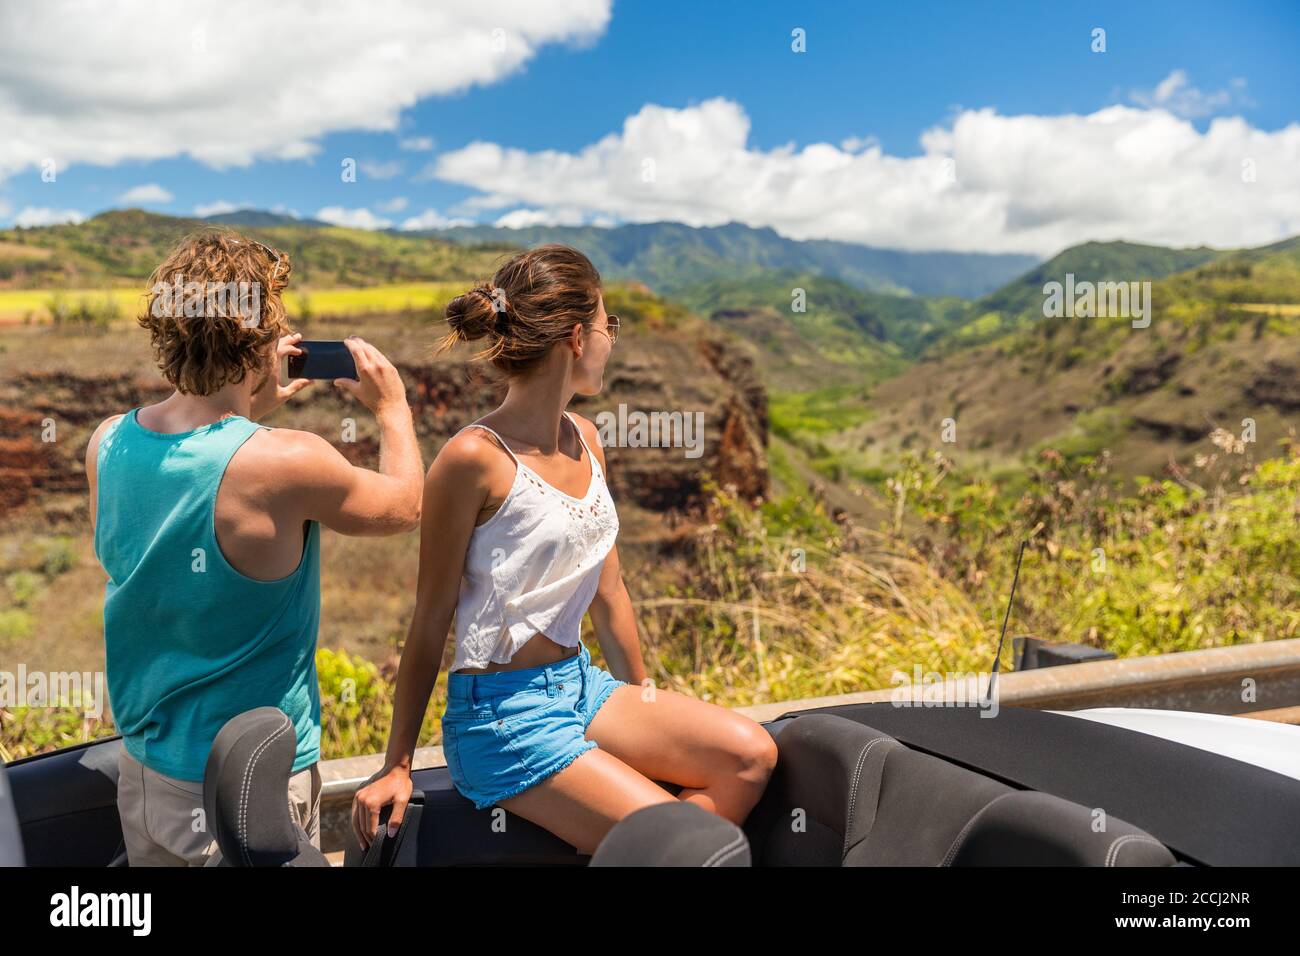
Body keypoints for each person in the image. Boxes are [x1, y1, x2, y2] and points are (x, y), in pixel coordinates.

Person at [352, 244, 778, 855]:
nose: (613, 340)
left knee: (750, 756)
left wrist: (645, 704)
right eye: (610, 326)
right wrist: (397, 763)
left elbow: (610, 592)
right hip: (502, 719)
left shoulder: (586, 438)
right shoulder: (473, 458)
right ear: (578, 338)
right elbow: (431, 615)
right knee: (684, 843)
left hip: (581, 685)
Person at [86, 230, 424, 865]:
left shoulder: (106, 443)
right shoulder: (287, 461)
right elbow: (405, 506)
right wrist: (394, 409)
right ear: (263, 337)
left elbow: (196, 488)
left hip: (144, 772)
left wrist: (247, 405)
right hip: (246, 789)